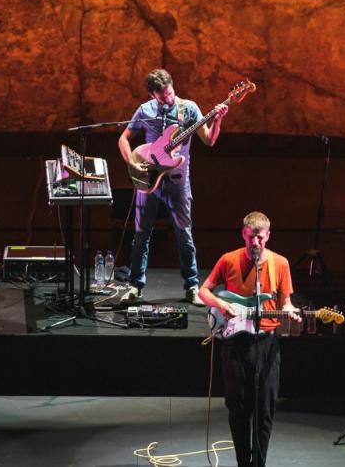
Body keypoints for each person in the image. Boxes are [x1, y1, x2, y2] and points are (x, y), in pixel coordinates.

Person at [199, 211, 301, 467]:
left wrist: (289, 311)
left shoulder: (281, 263)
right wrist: (221, 304)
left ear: (267, 236)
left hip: (267, 344)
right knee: (238, 408)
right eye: (249, 238)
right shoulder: (228, 259)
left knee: (264, 411)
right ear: (243, 235)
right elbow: (203, 291)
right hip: (235, 343)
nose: (254, 243)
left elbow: (285, 302)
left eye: (259, 238)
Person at [118, 68, 227, 304]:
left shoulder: (188, 108)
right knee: (140, 235)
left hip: (178, 183)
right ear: (152, 96)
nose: (168, 98)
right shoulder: (145, 111)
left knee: (184, 235)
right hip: (148, 181)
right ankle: (135, 285)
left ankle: (192, 286)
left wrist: (218, 119)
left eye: (169, 92)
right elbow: (123, 138)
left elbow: (209, 140)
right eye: (162, 96)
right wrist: (132, 164)